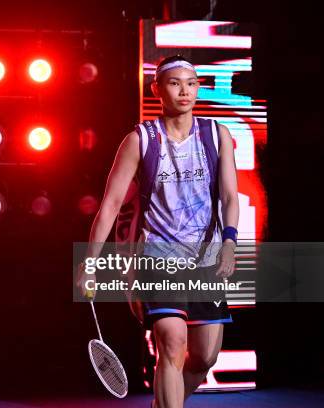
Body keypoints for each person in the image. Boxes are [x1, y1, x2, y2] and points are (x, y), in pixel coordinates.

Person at [76, 55, 239, 407]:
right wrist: (89, 264)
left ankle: (163, 404)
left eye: (192, 83)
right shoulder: (141, 140)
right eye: (175, 83)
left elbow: (229, 195)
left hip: (205, 259)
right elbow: (110, 206)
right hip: (157, 258)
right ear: (157, 89)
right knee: (171, 344)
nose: (185, 90)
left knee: (205, 357)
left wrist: (229, 242)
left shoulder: (216, 134)